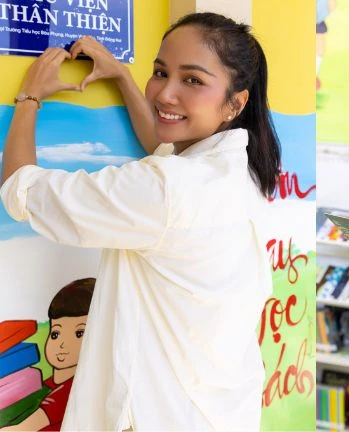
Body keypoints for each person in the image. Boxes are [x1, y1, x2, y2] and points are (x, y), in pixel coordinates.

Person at [1, 12, 280, 431]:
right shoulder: (242, 170)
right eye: (159, 72)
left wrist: (29, 98)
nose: (165, 94)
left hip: (160, 413)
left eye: (192, 80)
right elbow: (163, 147)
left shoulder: (166, 190)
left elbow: (20, 191)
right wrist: (122, 77)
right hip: (220, 410)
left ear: (235, 102)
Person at [1, 279, 95, 431]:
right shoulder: (49, 384)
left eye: (79, 333)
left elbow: (23, 428)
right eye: (56, 334)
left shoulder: (71, 391)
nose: (62, 344)